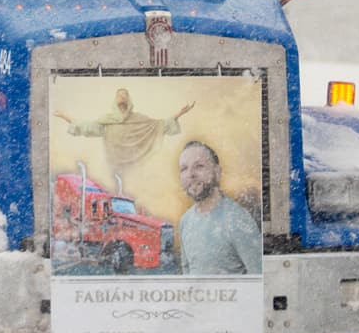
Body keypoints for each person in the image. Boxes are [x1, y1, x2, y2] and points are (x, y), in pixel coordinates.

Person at [54, 88, 194, 174]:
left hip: (136, 168)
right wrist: (65, 116)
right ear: (115, 100)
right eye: (119, 95)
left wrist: (179, 114)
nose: (122, 97)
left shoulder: (139, 119)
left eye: (125, 94)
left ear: (129, 100)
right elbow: (85, 127)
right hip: (114, 167)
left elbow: (160, 125)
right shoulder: (107, 121)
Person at [176, 140, 262, 275]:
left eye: (199, 166)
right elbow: (187, 277)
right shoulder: (185, 222)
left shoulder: (237, 219)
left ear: (217, 172)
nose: (190, 174)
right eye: (184, 169)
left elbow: (259, 280)